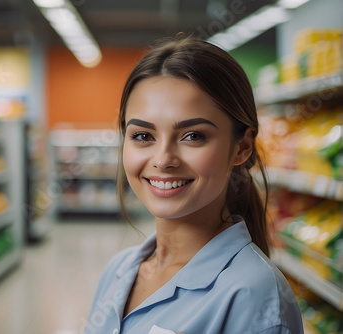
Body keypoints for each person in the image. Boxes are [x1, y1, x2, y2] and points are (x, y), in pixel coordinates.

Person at [83, 37, 303, 334]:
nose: (163, 160)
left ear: (242, 147)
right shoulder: (119, 271)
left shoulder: (254, 296)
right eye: (143, 136)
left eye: (193, 136)